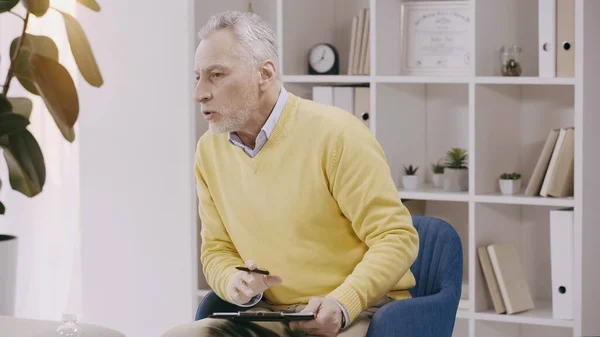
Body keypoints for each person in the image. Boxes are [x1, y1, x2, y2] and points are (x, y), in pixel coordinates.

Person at [162, 10, 419, 337]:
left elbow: (397, 237)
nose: (200, 93)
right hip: (270, 313)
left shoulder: (337, 135)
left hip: (359, 312)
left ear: (264, 73)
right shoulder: (210, 151)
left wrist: (343, 302)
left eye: (216, 75)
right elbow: (216, 249)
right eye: (198, 77)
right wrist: (235, 281)